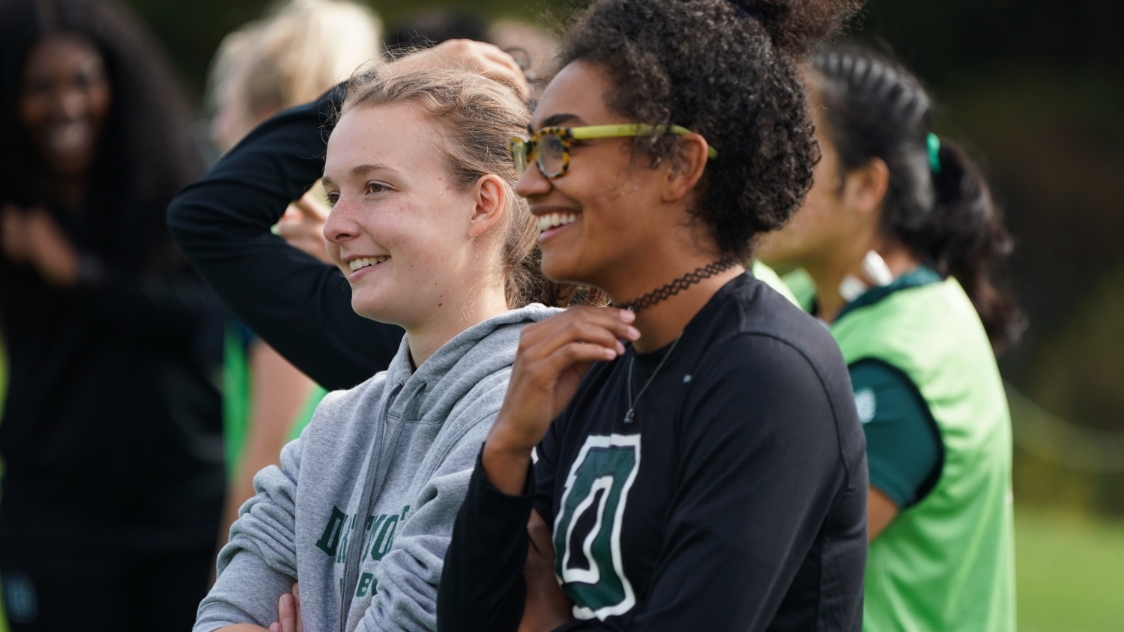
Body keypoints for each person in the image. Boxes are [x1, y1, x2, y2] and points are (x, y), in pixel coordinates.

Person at [437, 1, 868, 631]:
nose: (528, 183)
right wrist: (506, 446)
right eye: (527, 147)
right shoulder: (593, 364)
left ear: (679, 165)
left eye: (558, 145)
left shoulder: (767, 371)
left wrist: (549, 618)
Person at [172, 43, 578, 632]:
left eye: (376, 188)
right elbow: (221, 615)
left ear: (483, 203)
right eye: (335, 193)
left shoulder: (529, 409)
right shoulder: (338, 422)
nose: (334, 226)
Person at [757, 44, 1021, 631]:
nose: (763, 166)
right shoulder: (812, 298)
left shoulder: (908, 359)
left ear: (865, 187)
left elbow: (767, 566)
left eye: (796, 149)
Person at [0, 0, 225, 629]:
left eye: (83, 80)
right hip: (55, 516)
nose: (66, 103)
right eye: (39, 87)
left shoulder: (168, 186)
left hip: (178, 508)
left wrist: (80, 274)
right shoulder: (12, 208)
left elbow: (202, 318)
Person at [205, 0, 383, 547]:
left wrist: (224, 581)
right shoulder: (345, 240)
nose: (216, 125)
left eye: (225, 104)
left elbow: (267, 450)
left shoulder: (292, 249)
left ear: (272, 115)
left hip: (296, 533)